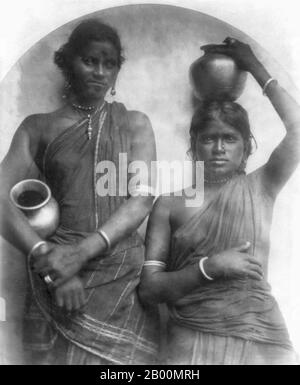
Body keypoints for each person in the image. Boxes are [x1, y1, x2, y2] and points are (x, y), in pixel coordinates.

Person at [0, 19, 159, 365]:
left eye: (110, 63)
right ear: (67, 61)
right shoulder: (37, 127)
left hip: (118, 282)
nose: (100, 72)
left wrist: (81, 254)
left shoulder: (135, 124)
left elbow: (143, 198)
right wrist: (49, 259)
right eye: (89, 60)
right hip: (56, 278)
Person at [139, 38, 300, 365]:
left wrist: (254, 66)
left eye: (229, 138)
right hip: (191, 340)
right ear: (194, 146)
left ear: (246, 147)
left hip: (261, 336)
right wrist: (208, 268)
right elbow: (149, 290)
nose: (218, 148)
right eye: (209, 138)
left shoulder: (262, 186)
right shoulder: (169, 205)